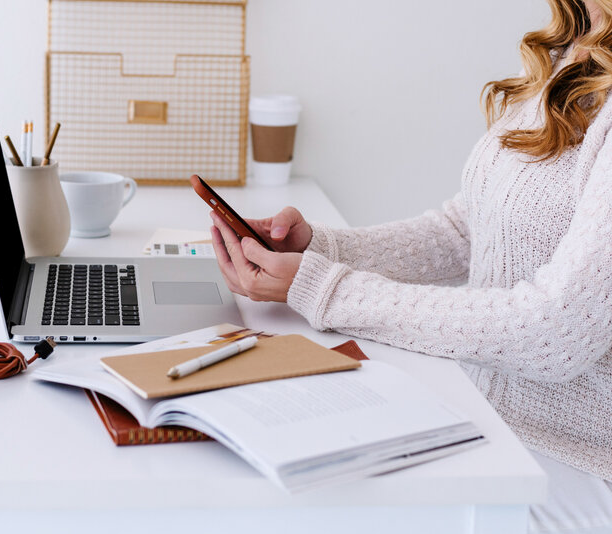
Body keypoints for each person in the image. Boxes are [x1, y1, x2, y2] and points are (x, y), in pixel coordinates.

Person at [210, 1, 612, 532]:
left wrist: (325, 290)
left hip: (573, 463)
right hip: (484, 418)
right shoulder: (565, 53)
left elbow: (556, 332)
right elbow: (467, 228)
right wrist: (318, 250)